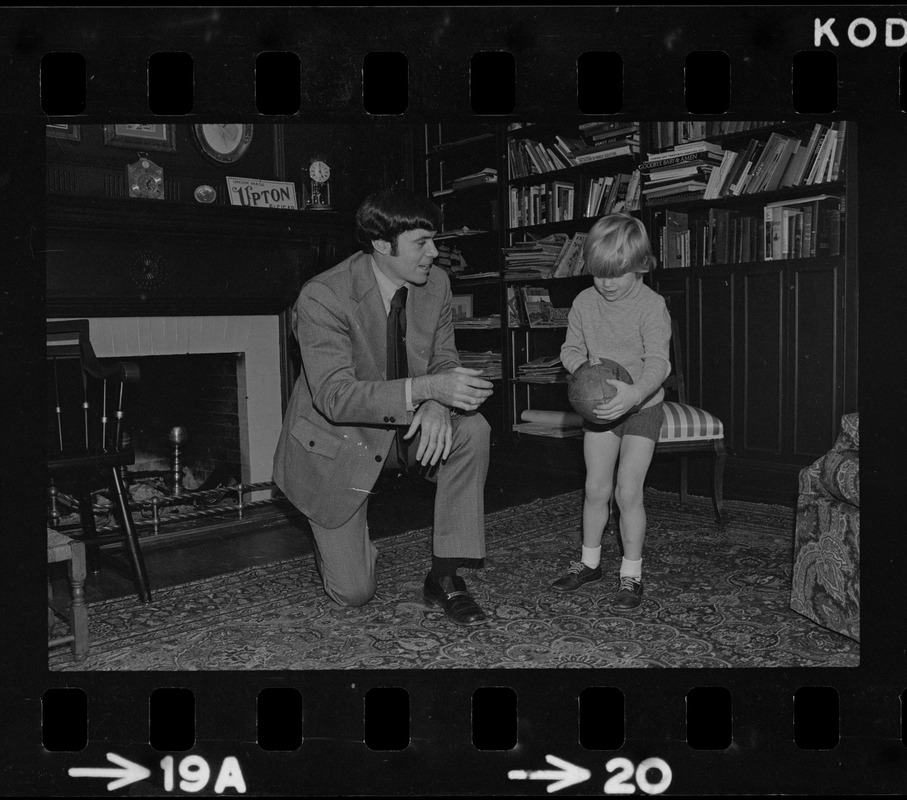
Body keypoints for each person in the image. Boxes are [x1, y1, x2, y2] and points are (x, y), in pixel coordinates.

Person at [273, 186, 495, 625]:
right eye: (421, 243)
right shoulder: (323, 297)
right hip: (341, 444)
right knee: (354, 593)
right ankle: (345, 546)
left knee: (473, 430)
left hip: (405, 430)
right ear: (381, 244)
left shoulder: (437, 284)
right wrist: (428, 388)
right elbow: (336, 397)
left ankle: (445, 577)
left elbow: (443, 358)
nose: (434, 252)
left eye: (434, 239)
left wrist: (436, 403)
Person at [552, 212, 671, 611]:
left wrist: (635, 393)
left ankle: (631, 574)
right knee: (595, 489)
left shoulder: (652, 306)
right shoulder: (585, 302)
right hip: (599, 410)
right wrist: (584, 371)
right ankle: (589, 564)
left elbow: (659, 362)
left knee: (627, 491)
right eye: (598, 273)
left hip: (641, 408)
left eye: (616, 273)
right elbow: (569, 350)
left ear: (641, 265)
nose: (606, 283)